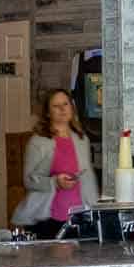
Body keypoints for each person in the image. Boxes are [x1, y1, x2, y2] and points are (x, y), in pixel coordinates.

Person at [13, 89, 98, 238]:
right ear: (47, 112)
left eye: (65, 104)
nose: (62, 109)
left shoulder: (81, 139)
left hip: (80, 215)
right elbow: (28, 180)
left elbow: (88, 176)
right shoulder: (38, 142)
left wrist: (95, 208)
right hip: (49, 218)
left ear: (72, 107)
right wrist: (55, 182)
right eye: (56, 105)